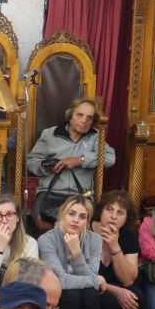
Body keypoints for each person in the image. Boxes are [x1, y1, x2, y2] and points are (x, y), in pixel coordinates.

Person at [27, 97, 116, 231]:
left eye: (89, 118)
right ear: (70, 116)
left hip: (81, 194)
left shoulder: (95, 136)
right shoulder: (50, 134)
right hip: (50, 192)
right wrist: (47, 166)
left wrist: (79, 160)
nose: (84, 121)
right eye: (80, 115)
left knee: (82, 226)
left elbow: (110, 158)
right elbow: (31, 161)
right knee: (41, 221)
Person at [91, 190, 155, 309]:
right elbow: (83, 275)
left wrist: (114, 246)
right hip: (92, 290)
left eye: (120, 212)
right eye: (109, 209)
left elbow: (128, 279)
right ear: (101, 211)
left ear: (126, 218)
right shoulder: (87, 232)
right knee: (104, 296)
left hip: (117, 293)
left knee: (137, 297)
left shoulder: (128, 236)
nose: (113, 216)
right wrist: (116, 291)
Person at [38, 195, 103, 309]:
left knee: (90, 295)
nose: (76, 220)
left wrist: (76, 253)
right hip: (60, 298)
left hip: (85, 300)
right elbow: (60, 281)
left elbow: (90, 280)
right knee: (72, 295)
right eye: (71, 214)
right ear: (62, 214)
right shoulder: (46, 240)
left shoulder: (95, 240)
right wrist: (95, 280)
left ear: (87, 221)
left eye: (82, 216)